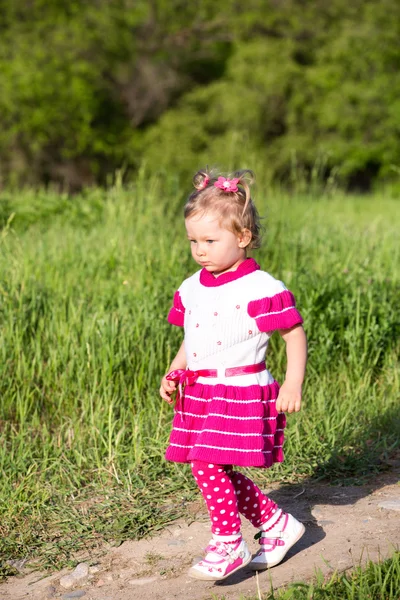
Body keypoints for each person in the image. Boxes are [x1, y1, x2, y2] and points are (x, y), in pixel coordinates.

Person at [159, 169, 307, 581]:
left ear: (242, 237)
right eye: (193, 241)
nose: (200, 250)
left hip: (242, 388)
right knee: (209, 464)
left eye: (210, 241)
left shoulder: (259, 287)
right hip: (202, 390)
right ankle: (277, 524)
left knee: (205, 463)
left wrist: (292, 382)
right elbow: (194, 336)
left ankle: (228, 542)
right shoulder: (192, 287)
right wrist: (176, 369)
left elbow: (293, 333)